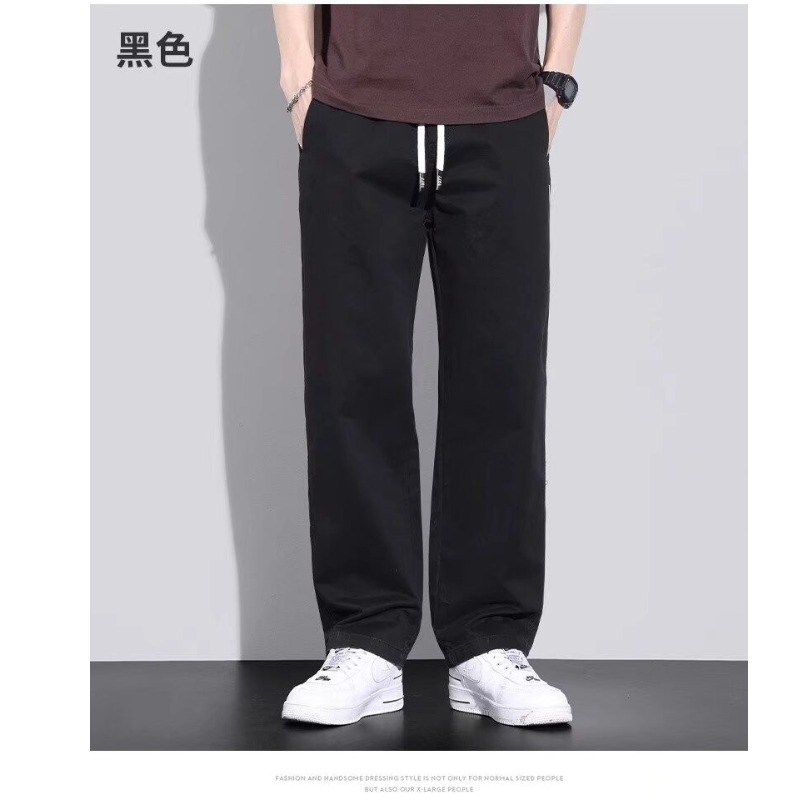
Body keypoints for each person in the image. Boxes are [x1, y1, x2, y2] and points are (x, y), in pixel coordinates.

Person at [272, 3, 586, 727]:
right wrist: (299, 80)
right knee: (352, 383)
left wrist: (557, 78)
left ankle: (488, 641)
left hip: (502, 116)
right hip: (355, 116)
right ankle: (365, 637)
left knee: (501, 386)